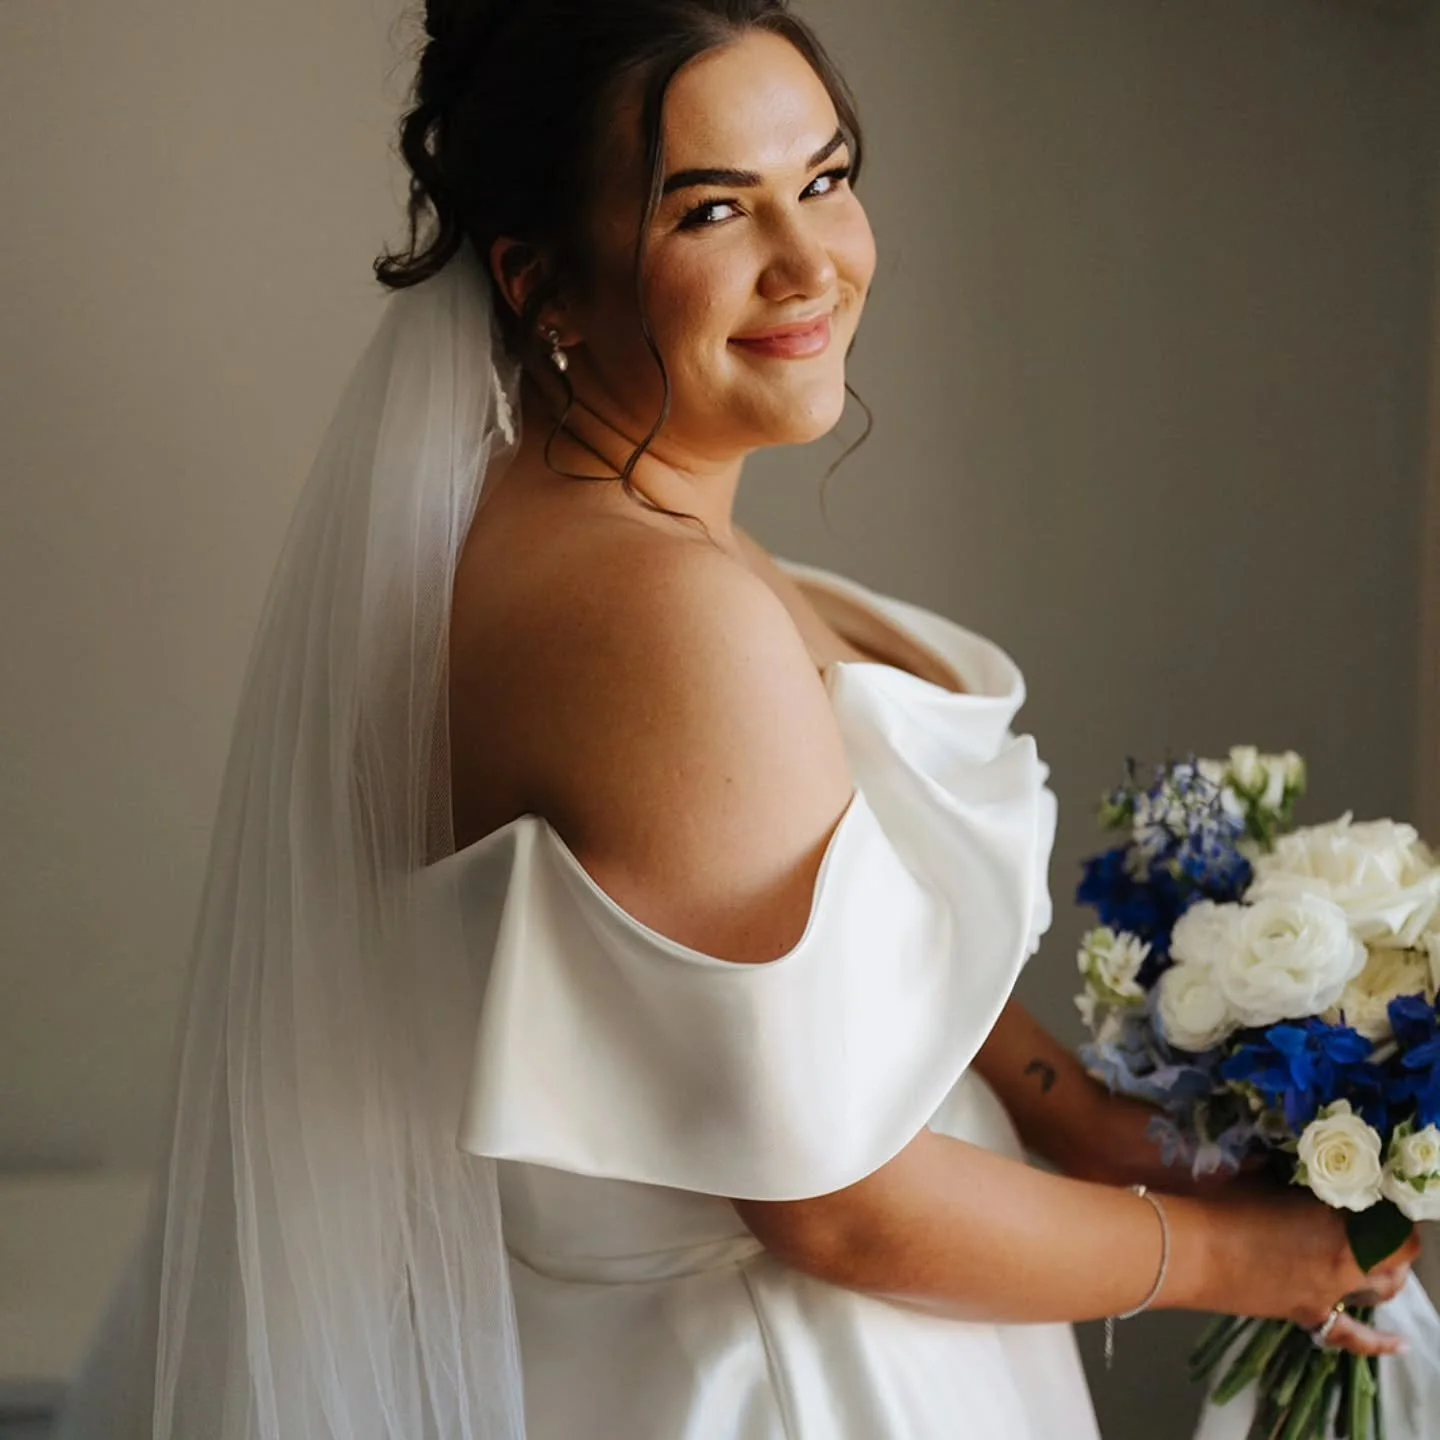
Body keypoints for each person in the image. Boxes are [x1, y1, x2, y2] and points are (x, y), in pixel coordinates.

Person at [55, 3, 1428, 1438]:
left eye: (825, 179)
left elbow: (810, 948)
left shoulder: (587, 519)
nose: (810, 262)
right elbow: (840, 1209)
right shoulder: (655, 616)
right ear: (538, 279)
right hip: (786, 1375)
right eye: (714, 209)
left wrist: (1083, 1113)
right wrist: (1240, 1259)